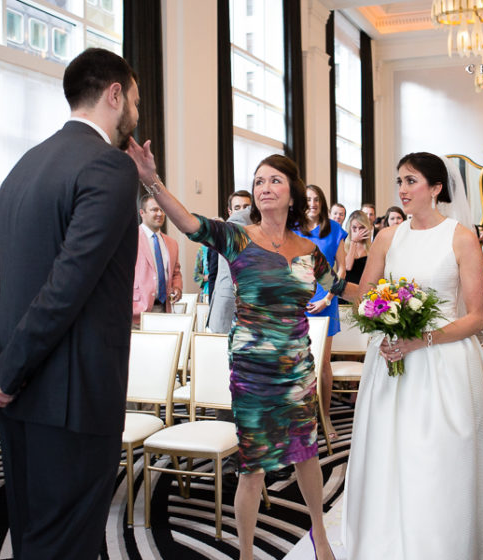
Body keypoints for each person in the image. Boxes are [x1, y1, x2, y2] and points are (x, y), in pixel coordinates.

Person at [125, 142, 357, 560]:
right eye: (259, 181)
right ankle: (247, 554)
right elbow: (189, 222)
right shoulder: (236, 238)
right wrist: (151, 182)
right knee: (252, 467)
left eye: (275, 180)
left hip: (297, 371)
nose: (264, 187)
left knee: (306, 455)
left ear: (292, 192)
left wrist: (392, 300)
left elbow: (342, 289)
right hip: (252, 373)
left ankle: (320, 535)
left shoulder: (307, 251)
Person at [0, 48, 140, 559]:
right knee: (69, 545)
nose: (136, 115)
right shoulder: (110, 166)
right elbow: (68, 285)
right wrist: (4, 373)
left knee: (33, 536)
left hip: (19, 402)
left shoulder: (24, 164)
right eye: (136, 101)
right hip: (74, 400)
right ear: (114, 93)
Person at [343, 152, 483, 559]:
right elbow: (364, 297)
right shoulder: (388, 238)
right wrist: (360, 300)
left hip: (444, 361)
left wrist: (421, 339)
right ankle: (387, 536)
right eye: (399, 181)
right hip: (391, 357)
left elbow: (478, 318)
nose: (403, 190)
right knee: (390, 450)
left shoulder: (460, 237)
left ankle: (447, 540)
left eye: (411, 181)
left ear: (436, 188)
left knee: (439, 455)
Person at [297, 185, 348, 440]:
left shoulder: (334, 229)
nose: (313, 203)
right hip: (300, 302)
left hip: (327, 301)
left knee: (323, 363)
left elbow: (342, 268)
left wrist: (328, 298)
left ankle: (326, 416)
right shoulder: (293, 229)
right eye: (308, 199)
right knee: (299, 363)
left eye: (317, 199)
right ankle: (303, 418)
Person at [133, 194, 182, 325]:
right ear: (142, 213)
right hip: (136, 312)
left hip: (164, 310)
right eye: (154, 210)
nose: (160, 213)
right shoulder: (130, 239)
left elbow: (176, 272)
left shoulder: (172, 243)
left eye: (162, 209)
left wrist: (177, 288)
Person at [343, 210, 372, 288]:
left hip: (365, 290)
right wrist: (353, 241)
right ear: (349, 228)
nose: (358, 231)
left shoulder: (371, 247)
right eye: (354, 228)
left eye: (361, 228)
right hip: (347, 290)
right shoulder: (343, 245)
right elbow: (348, 267)